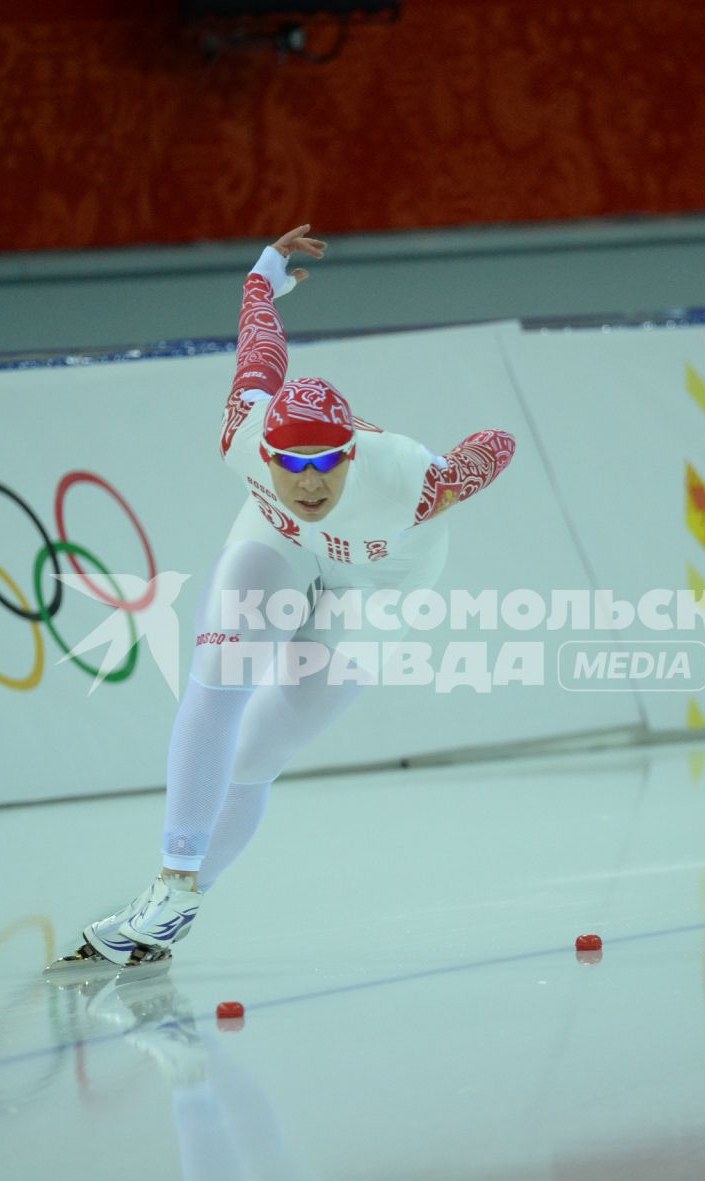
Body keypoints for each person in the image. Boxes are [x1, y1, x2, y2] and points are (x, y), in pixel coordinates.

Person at [49, 224, 517, 974]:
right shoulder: (243, 433)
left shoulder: (404, 478)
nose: (310, 481)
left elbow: (497, 442)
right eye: (292, 463)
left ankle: (184, 901)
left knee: (261, 750)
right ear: (263, 451)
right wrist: (260, 278)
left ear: (351, 452)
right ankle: (170, 885)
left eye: (327, 462)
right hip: (283, 546)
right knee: (218, 684)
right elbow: (261, 350)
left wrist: (464, 470)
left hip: (377, 587)